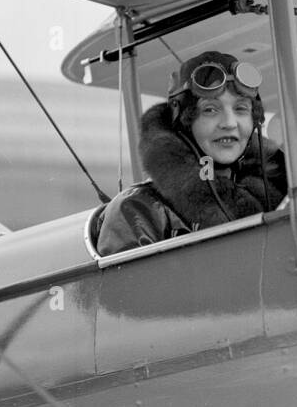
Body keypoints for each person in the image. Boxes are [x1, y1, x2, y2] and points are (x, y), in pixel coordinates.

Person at [95, 51, 287, 255]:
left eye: (241, 109)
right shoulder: (137, 210)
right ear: (184, 122)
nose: (229, 123)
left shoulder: (285, 197)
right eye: (210, 110)